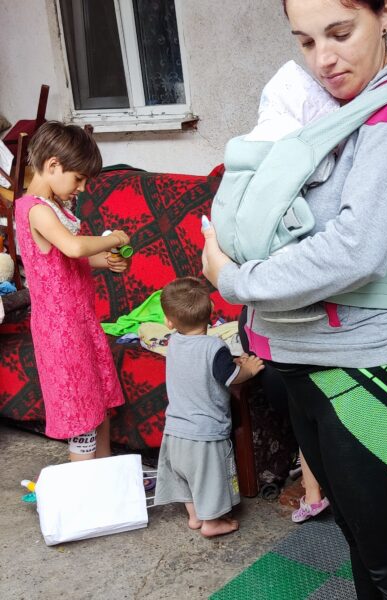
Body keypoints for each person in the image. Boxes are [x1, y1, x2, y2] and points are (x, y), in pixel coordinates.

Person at [202, 0, 387, 596]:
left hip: (362, 370)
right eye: (306, 41)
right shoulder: (327, 108)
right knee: (360, 548)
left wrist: (234, 279)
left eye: (340, 33)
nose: (325, 59)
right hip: (301, 360)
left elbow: (355, 249)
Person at [15, 121, 131, 462]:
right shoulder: (34, 209)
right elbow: (73, 248)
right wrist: (114, 239)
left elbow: (68, 260)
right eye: (78, 178)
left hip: (81, 323)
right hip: (61, 332)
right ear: (52, 165)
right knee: (82, 416)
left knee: (100, 407)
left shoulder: (56, 209)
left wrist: (106, 261)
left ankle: (108, 484)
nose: (81, 187)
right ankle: (86, 501)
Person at [153, 277, 264, 537]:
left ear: (169, 321)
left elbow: (198, 365)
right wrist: (246, 369)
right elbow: (230, 377)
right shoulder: (215, 347)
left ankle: (194, 516)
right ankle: (212, 522)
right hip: (205, 434)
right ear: (211, 312)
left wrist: (230, 361)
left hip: (175, 431)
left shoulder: (174, 342)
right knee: (210, 480)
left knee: (185, 479)